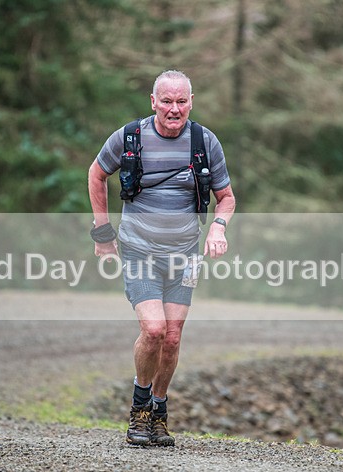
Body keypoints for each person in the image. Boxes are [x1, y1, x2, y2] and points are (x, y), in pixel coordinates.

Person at [88, 70, 236, 446]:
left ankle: (158, 411)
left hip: (185, 254)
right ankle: (138, 410)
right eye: (166, 101)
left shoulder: (204, 142)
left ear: (191, 102)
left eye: (181, 101)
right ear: (153, 101)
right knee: (153, 330)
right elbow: (96, 174)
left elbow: (226, 197)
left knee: (171, 337)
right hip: (139, 249)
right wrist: (103, 234)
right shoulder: (130, 137)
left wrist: (218, 228)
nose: (174, 109)